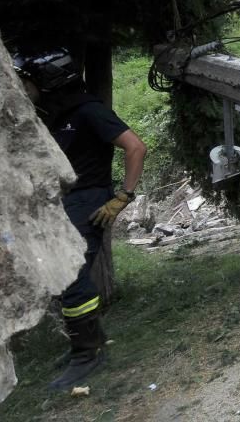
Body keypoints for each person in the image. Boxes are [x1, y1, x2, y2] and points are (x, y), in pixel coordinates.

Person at [13, 49, 147, 390]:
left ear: (48, 80)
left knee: (71, 276)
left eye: (27, 81)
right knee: (62, 274)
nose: (24, 88)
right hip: (66, 202)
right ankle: (89, 342)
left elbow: (136, 147)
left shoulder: (89, 111)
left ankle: (88, 354)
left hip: (89, 201)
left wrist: (123, 197)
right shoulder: (56, 115)